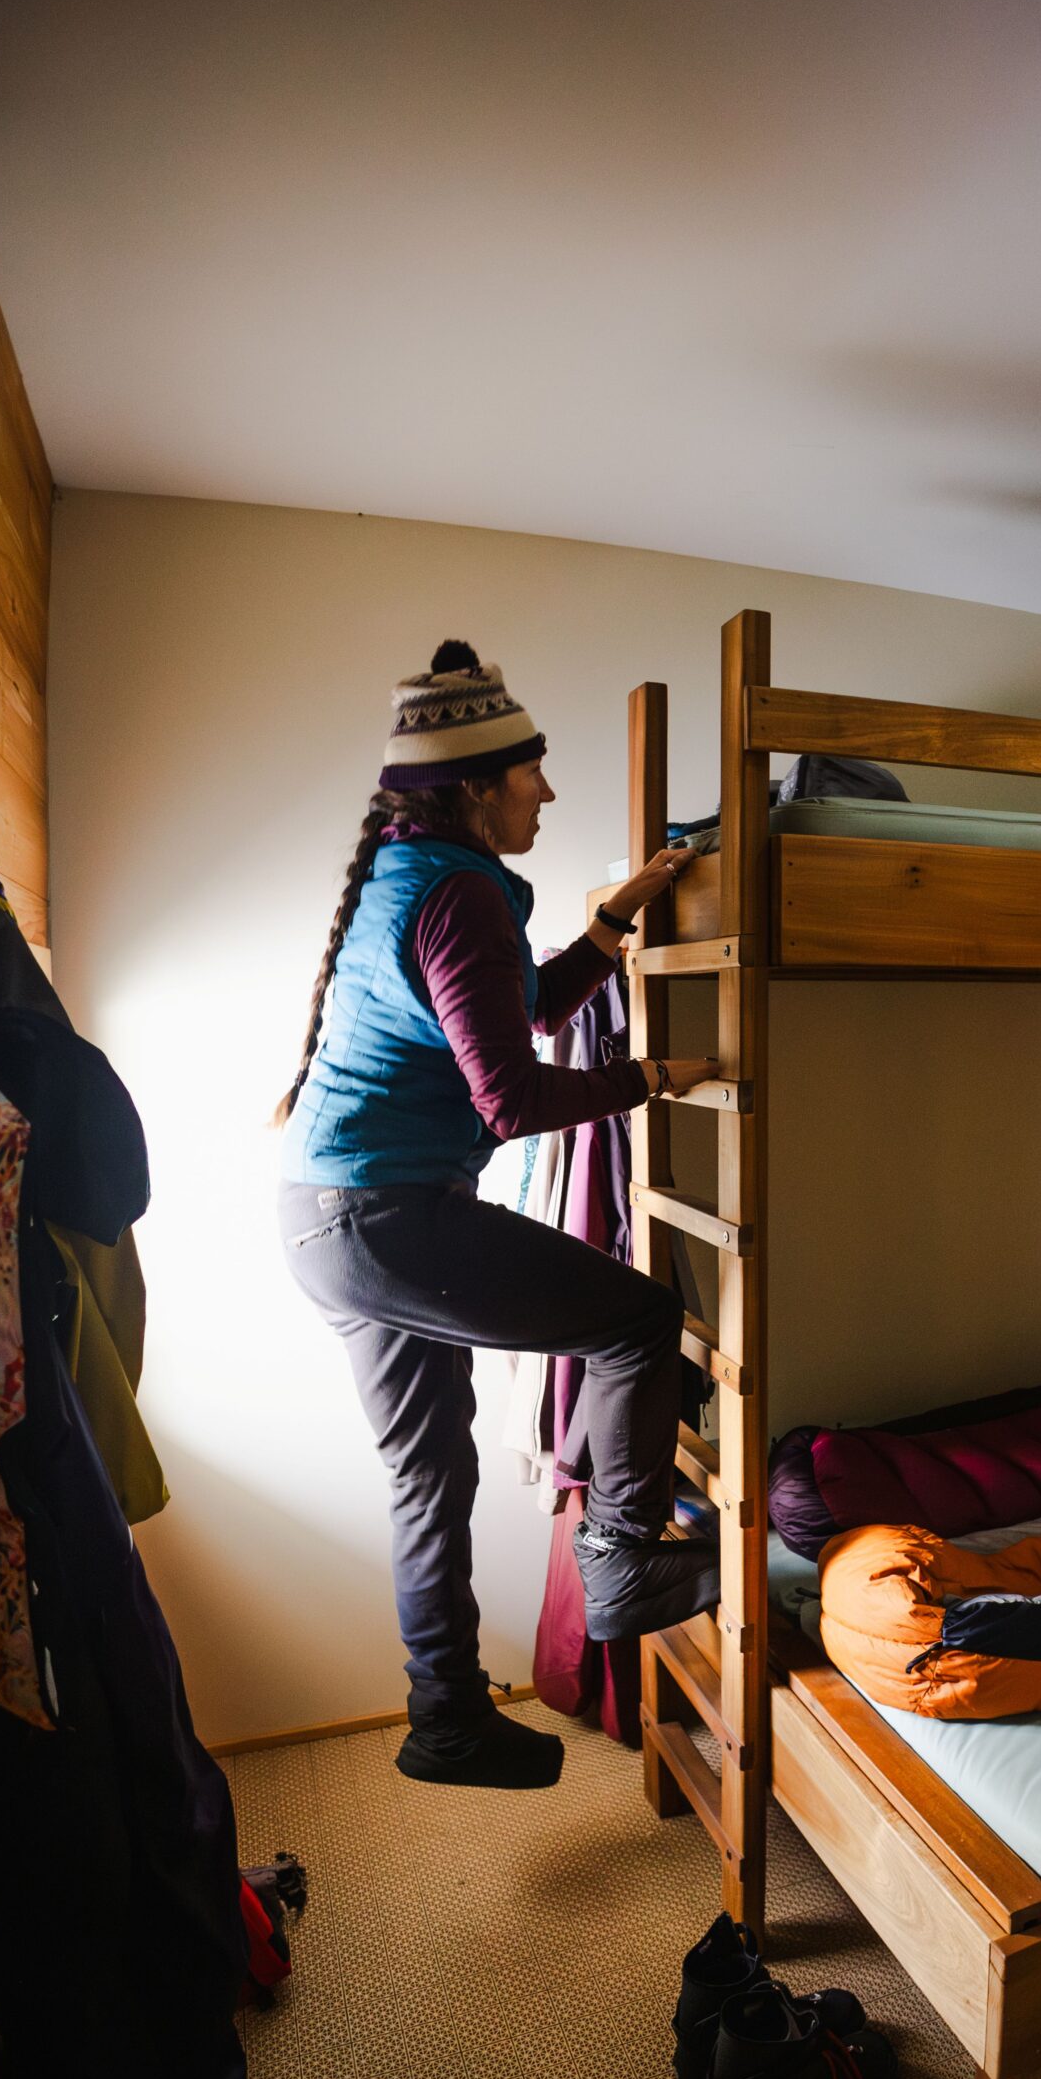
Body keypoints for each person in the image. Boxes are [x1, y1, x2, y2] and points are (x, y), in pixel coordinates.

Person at [276, 641, 719, 1791]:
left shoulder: (414, 874)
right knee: (635, 1322)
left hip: (330, 1218)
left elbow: (506, 1014)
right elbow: (511, 1095)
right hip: (382, 1214)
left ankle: (449, 1720)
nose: (548, 791)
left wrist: (608, 930)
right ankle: (620, 1566)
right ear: (476, 784)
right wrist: (650, 1075)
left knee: (430, 1476)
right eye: (534, 770)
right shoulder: (460, 891)